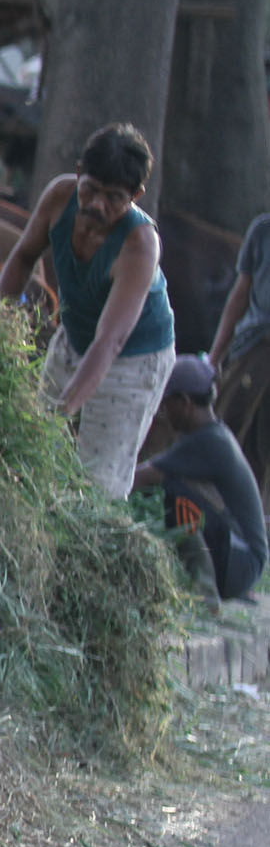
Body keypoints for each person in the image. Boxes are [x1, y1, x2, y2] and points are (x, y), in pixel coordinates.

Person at [0, 123, 177, 498]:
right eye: (90, 189)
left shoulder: (139, 245)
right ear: (78, 173)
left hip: (132, 358)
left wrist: (63, 412)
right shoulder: (59, 198)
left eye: (113, 197)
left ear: (136, 196)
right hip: (76, 336)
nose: (96, 205)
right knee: (27, 446)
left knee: (98, 486)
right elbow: (23, 257)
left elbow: (110, 342)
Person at [133, 355, 265, 603]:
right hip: (242, 561)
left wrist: (92, 485)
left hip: (240, 564)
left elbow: (141, 477)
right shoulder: (211, 434)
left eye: (166, 403)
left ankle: (205, 590)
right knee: (171, 490)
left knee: (171, 493)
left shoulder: (208, 442)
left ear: (184, 403)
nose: (163, 411)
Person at [207, 209, 270, 487]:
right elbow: (240, 294)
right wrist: (214, 357)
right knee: (227, 432)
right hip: (253, 349)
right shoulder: (262, 230)